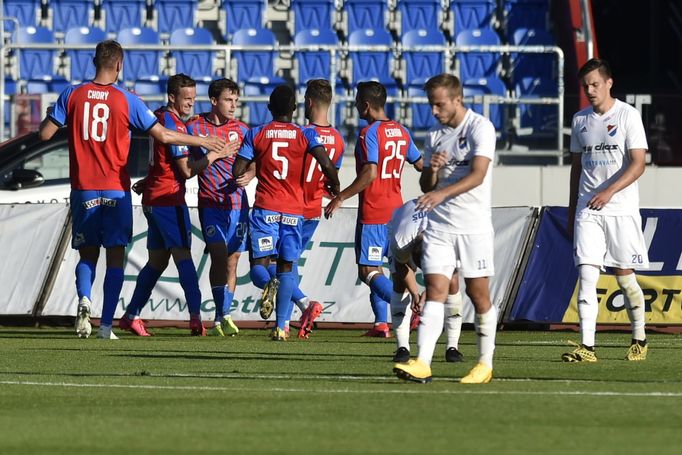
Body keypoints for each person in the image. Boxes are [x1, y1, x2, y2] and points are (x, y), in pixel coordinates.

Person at [38, 40, 226, 340]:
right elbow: (163, 135)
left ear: (93, 61)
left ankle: (84, 300)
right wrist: (203, 142)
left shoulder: (71, 94)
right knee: (115, 257)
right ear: (120, 65)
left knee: (87, 256)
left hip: (83, 189)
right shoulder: (127, 99)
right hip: (115, 189)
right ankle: (106, 326)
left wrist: (55, 113)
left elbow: (45, 133)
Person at [393, 73, 497, 384]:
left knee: (478, 295)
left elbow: (478, 175)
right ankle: (423, 361)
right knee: (436, 290)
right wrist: (434, 171)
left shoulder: (481, 128)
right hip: (439, 226)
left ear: (457, 99)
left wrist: (440, 193)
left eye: (439, 105)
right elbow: (425, 182)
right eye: (431, 105)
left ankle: (484, 364)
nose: (435, 111)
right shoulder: (435, 135)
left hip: (473, 226)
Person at [117, 74, 235, 337]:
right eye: (186, 98)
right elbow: (187, 171)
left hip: (153, 198)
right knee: (184, 259)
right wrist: (215, 154)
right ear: (172, 97)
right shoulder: (176, 127)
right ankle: (196, 318)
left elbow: (164, 162)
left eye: (193, 98)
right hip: (169, 200)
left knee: (157, 262)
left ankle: (131, 315)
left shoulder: (160, 117)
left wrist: (149, 179)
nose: (191, 104)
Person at [233, 84, 340, 341]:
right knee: (286, 267)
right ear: (294, 109)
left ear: (269, 108)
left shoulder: (256, 133)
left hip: (265, 208)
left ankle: (268, 286)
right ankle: (281, 327)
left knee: (259, 266)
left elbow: (238, 169)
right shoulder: (305, 134)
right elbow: (325, 162)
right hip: (294, 212)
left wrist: (248, 167)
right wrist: (335, 185)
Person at [563, 58, 649, 363]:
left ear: (609, 83)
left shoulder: (628, 115)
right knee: (586, 275)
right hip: (589, 211)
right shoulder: (579, 120)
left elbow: (639, 163)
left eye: (595, 84)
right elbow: (576, 171)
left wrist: (609, 192)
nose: (590, 90)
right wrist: (573, 212)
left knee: (625, 279)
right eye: (586, 85)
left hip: (621, 209)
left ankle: (639, 337)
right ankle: (587, 347)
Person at [325, 81, 422, 337]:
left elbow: (370, 173)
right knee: (390, 269)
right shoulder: (401, 131)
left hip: (373, 212)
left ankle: (407, 309)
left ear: (366, 105)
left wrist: (341, 196)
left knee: (368, 270)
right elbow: (421, 164)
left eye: (357, 101)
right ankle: (381, 323)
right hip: (397, 211)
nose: (356, 105)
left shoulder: (369, 133)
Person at [186, 78, 254, 337]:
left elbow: (253, 161)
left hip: (238, 205)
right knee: (217, 254)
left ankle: (219, 318)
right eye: (228, 100)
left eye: (236, 101)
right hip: (211, 203)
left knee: (232, 263)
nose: (233, 105)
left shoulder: (243, 129)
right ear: (214, 101)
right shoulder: (195, 127)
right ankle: (224, 313)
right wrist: (216, 154)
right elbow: (189, 169)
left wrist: (250, 175)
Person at [290, 79, 345, 339]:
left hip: (290, 206)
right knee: (291, 262)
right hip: (313, 209)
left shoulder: (302, 134)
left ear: (309, 102)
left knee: (276, 264)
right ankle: (297, 310)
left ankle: (303, 304)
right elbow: (331, 178)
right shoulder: (338, 140)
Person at [387, 199, 464, 364]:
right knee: (400, 284)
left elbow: (446, 273)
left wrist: (427, 293)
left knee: (452, 282)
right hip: (406, 224)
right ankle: (403, 347)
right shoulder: (401, 240)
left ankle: (452, 347)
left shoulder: (453, 237)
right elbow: (402, 267)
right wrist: (415, 293)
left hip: (441, 230)